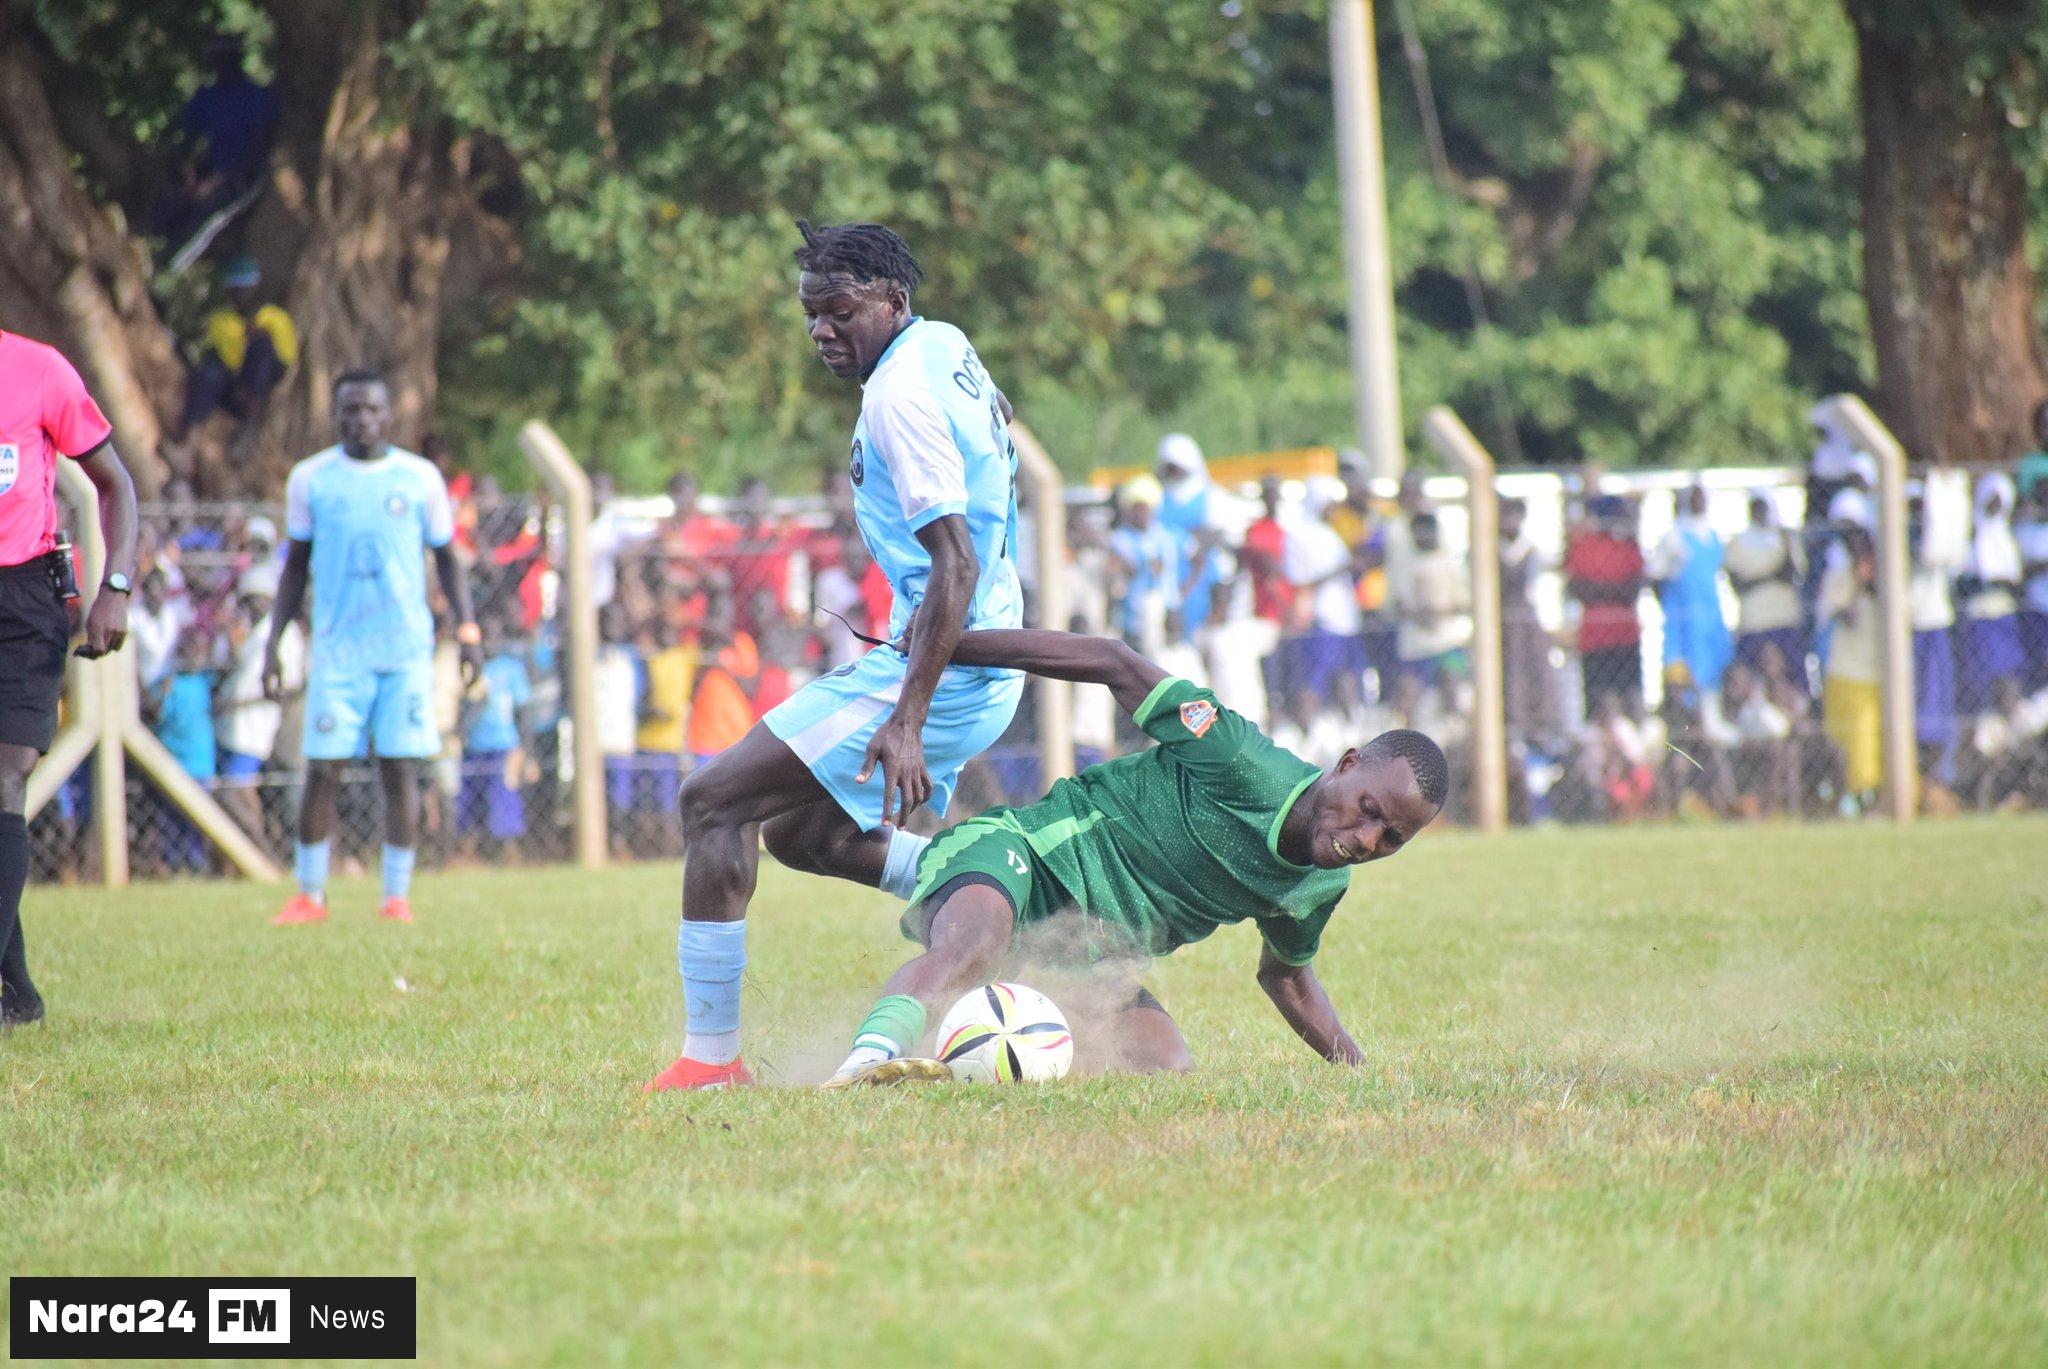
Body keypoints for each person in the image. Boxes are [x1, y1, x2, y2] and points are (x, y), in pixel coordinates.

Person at [646, 221, 1026, 1092]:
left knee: (711, 802)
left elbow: (955, 562)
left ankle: (710, 1063)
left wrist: (908, 718)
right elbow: (996, 418)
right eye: (811, 314)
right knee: (799, 832)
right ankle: (982, 893)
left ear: (892, 299)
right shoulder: (943, 344)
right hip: (969, 646)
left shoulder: (898, 400)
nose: (822, 330)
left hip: (944, 659)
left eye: (840, 311)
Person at [820, 627, 1446, 1087]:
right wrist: (945, 644)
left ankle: (909, 886)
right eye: (1368, 809)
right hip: (1024, 857)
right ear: (1345, 765)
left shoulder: (1316, 887)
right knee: (972, 944)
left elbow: (1286, 977)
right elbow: (1110, 661)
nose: (1366, 840)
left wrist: (1361, 1075)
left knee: (1166, 1068)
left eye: (1391, 838)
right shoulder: (1238, 759)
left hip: (1080, 960)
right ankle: (866, 1064)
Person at [263, 369, 481, 925]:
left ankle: (396, 899)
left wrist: (469, 631)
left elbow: (448, 560)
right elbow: (295, 567)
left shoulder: (419, 478)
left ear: (389, 415)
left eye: (371, 410)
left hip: (405, 653)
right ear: (336, 415)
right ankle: (310, 894)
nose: (361, 419)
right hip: (337, 655)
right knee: (323, 769)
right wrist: (274, 640)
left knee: (400, 771)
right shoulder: (312, 479)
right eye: (350, 410)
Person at [0, 326, 139, 1026]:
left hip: (23, 600)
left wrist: (115, 583)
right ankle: (17, 991)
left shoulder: (38, 369)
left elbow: (116, 484)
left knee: (5, 775)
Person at [171, 256, 297, 443]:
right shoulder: (220, 320)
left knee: (262, 346)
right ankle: (188, 443)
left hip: (257, 393)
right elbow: (203, 348)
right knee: (209, 373)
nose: (241, 296)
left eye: (246, 290)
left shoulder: (275, 319)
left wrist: (258, 339)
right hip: (230, 387)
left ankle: (250, 428)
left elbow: (284, 365)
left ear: (257, 289)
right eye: (235, 291)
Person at [1818, 525, 1883, 811]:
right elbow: (1847, 616)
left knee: (1867, 743)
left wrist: (1872, 584)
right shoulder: (1839, 579)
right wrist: (1858, 583)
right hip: (1844, 671)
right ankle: (1842, 798)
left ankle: (1869, 797)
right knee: (1840, 741)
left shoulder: (1885, 580)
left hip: (1874, 675)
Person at [458, 617, 532, 862]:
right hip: (473, 744)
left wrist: (525, 749)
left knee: (503, 801)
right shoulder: (470, 667)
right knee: (468, 801)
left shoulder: (511, 668)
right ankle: (467, 852)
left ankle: (508, 852)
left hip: (503, 744)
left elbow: (522, 711)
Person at [1564, 495, 1646, 712]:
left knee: (1629, 695)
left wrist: (1600, 589)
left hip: (1624, 633)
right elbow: (1578, 588)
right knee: (1599, 697)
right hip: (1595, 635)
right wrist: (1614, 588)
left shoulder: (1628, 546)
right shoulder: (1584, 546)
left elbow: (1633, 590)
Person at [1649, 484, 1733, 693]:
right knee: (1684, 669)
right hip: (1684, 615)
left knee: (1715, 668)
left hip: (1711, 614)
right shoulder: (1675, 536)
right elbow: (1655, 575)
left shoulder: (1713, 536)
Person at [1958, 473, 2026, 712]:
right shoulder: (1970, 536)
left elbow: (2016, 580)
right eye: (1991, 499)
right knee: (1979, 678)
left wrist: (1998, 581)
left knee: (2008, 674)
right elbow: (1962, 579)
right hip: (1978, 615)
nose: (1994, 506)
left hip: (2003, 614)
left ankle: (2008, 721)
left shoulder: (2006, 538)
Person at [1723, 493, 1805, 677]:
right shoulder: (1738, 542)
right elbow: (1738, 585)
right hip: (1754, 623)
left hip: (1785, 619)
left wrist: (1756, 578)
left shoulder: (1784, 537)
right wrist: (1772, 575)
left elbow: (1792, 575)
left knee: (1792, 676)